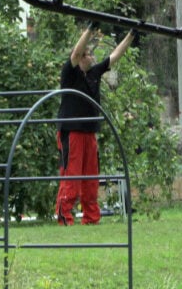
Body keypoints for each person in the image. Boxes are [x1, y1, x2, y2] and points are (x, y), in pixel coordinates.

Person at [55, 23, 134, 225]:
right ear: (82, 58)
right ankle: (64, 216)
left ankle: (91, 218)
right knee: (71, 175)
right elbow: (76, 51)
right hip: (71, 131)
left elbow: (115, 56)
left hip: (90, 132)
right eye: (90, 54)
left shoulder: (94, 73)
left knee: (91, 178)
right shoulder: (70, 72)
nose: (93, 57)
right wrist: (91, 29)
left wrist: (131, 35)